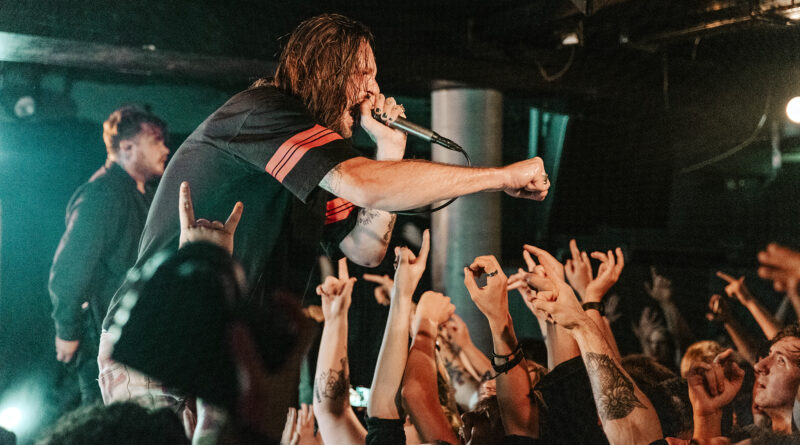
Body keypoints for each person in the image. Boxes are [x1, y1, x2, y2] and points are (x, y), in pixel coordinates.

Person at [101, 12, 550, 344]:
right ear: (327, 70)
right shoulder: (263, 112)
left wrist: (390, 149)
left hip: (223, 348)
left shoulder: (310, 159)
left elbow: (365, 249)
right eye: (364, 73)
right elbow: (365, 183)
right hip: (161, 336)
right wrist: (500, 176)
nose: (374, 90)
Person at [48, 106, 168, 404]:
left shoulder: (145, 196)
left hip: (135, 343)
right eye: (156, 140)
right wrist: (67, 329)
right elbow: (69, 268)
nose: (166, 148)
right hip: (102, 342)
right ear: (127, 147)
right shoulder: (102, 194)